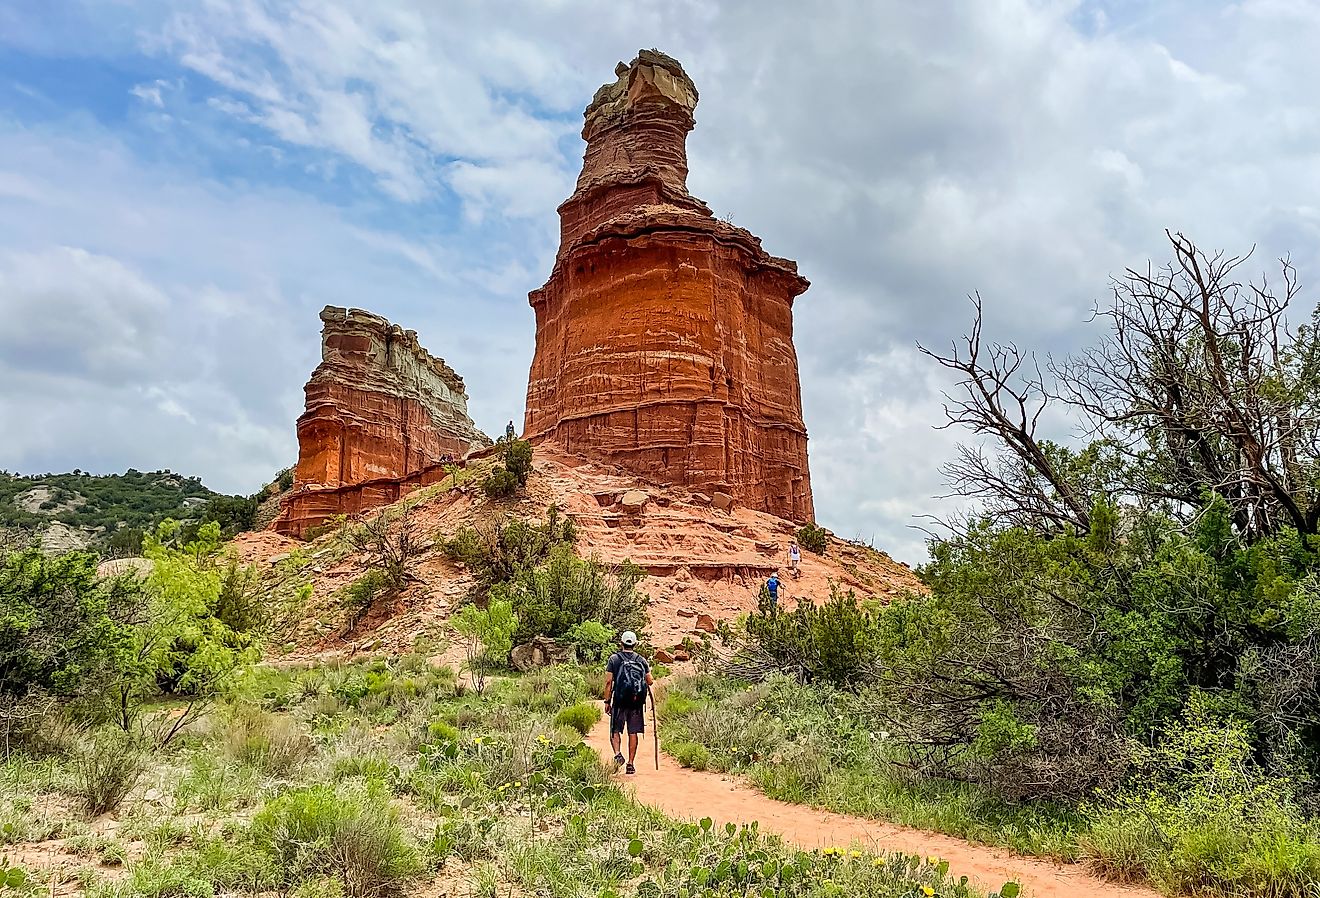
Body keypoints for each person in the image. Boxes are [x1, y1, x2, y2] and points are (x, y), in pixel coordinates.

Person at [604, 630, 653, 775]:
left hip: (619, 701)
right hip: (636, 703)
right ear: (635, 644)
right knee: (633, 732)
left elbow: (608, 682)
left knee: (615, 729)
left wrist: (607, 701)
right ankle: (631, 764)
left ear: (621, 643)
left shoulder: (614, 659)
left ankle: (618, 753)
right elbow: (650, 681)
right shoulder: (641, 660)